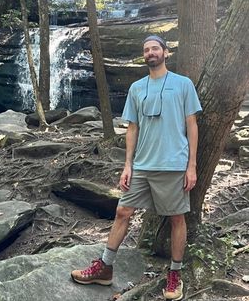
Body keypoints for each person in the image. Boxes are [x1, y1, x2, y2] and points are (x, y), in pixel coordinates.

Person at [71, 35, 202, 301]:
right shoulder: (136, 88)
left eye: (155, 48)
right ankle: (105, 268)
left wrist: (192, 166)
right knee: (122, 211)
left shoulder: (183, 84)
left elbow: (192, 125)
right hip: (142, 165)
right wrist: (127, 165)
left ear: (166, 53)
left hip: (174, 165)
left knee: (177, 218)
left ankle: (175, 275)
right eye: (146, 50)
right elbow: (132, 128)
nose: (150, 53)